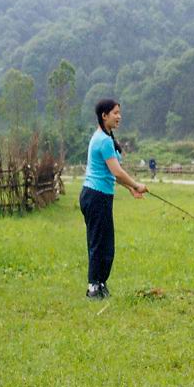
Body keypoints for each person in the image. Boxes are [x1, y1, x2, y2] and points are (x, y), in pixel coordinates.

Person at [80, 99, 148, 299]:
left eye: (119, 113)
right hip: (96, 196)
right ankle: (93, 287)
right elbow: (117, 172)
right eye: (115, 113)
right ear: (104, 115)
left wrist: (129, 189)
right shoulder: (103, 140)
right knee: (99, 242)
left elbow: (111, 174)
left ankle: (100, 283)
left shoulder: (105, 137)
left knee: (105, 244)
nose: (119, 117)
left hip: (100, 196)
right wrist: (136, 185)